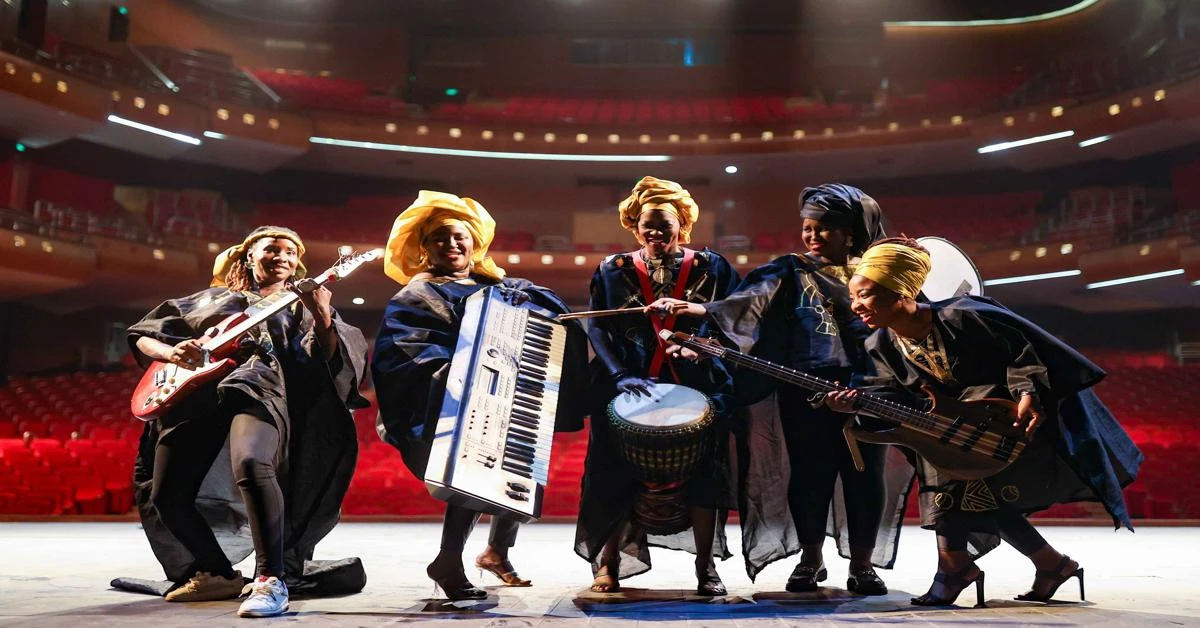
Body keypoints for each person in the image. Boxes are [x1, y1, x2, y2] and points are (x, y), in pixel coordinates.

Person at [824, 238, 1143, 606]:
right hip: (960, 434)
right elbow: (891, 396)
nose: (855, 305)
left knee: (951, 476)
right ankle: (1048, 564)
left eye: (864, 295)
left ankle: (957, 568)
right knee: (969, 486)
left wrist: (1027, 392)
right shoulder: (879, 344)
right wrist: (855, 405)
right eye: (853, 296)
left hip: (1013, 423)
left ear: (900, 291)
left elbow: (1025, 351)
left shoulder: (964, 314)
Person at [650, 184, 904, 594]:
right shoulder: (790, 269)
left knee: (864, 476)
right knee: (809, 476)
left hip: (870, 392)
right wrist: (697, 310)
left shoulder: (880, 273)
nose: (812, 236)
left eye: (823, 229)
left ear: (850, 232)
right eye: (808, 228)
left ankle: (862, 565)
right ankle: (811, 560)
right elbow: (746, 303)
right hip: (805, 392)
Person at [121, 226, 370, 618]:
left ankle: (270, 579)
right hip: (196, 395)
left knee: (254, 464)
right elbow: (143, 336)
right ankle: (216, 572)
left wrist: (322, 313)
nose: (283, 257)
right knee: (166, 495)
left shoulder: (300, 304)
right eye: (273, 248)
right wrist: (173, 353)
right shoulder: (212, 299)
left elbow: (332, 360)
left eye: (291, 251)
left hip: (260, 388)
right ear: (249, 256)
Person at [372, 191, 588, 600]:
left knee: (520, 468)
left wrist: (534, 304)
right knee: (475, 477)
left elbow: (547, 318)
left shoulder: (501, 287)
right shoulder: (414, 297)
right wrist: (457, 375)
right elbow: (404, 351)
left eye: (459, 237)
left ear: (475, 243)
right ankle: (449, 560)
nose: (451, 245)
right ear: (423, 249)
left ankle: (495, 552)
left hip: (503, 398)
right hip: (442, 405)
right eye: (439, 239)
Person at [575, 176, 740, 596]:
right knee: (612, 477)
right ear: (635, 227)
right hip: (627, 383)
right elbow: (597, 328)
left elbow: (737, 317)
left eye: (664, 225)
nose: (655, 233)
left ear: (682, 225)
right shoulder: (613, 269)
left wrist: (707, 350)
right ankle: (607, 564)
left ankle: (707, 569)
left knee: (707, 476)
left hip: (699, 384)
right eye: (647, 224)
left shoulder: (712, 266)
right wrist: (618, 375)